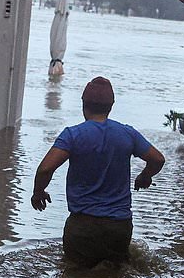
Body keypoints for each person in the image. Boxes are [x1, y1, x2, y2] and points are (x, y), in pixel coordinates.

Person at [31, 76, 165, 267]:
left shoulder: (73, 135)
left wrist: (38, 192)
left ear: (83, 104)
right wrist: (145, 176)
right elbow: (158, 159)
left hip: (82, 227)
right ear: (111, 106)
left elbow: (45, 168)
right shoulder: (127, 134)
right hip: (118, 227)